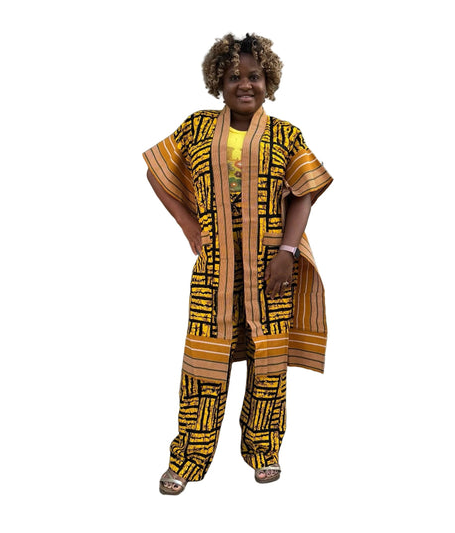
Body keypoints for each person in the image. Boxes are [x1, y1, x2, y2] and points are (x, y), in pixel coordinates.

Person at [143, 33, 333, 495]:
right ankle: (189, 456)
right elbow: (156, 171)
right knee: (204, 363)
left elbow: (304, 191)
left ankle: (264, 449)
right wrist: (188, 224)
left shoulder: (285, 135)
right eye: (233, 76)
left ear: (269, 80)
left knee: (269, 362)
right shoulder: (197, 128)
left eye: (254, 76)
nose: (244, 84)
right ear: (218, 81)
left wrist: (287, 252)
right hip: (215, 270)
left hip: (271, 270)